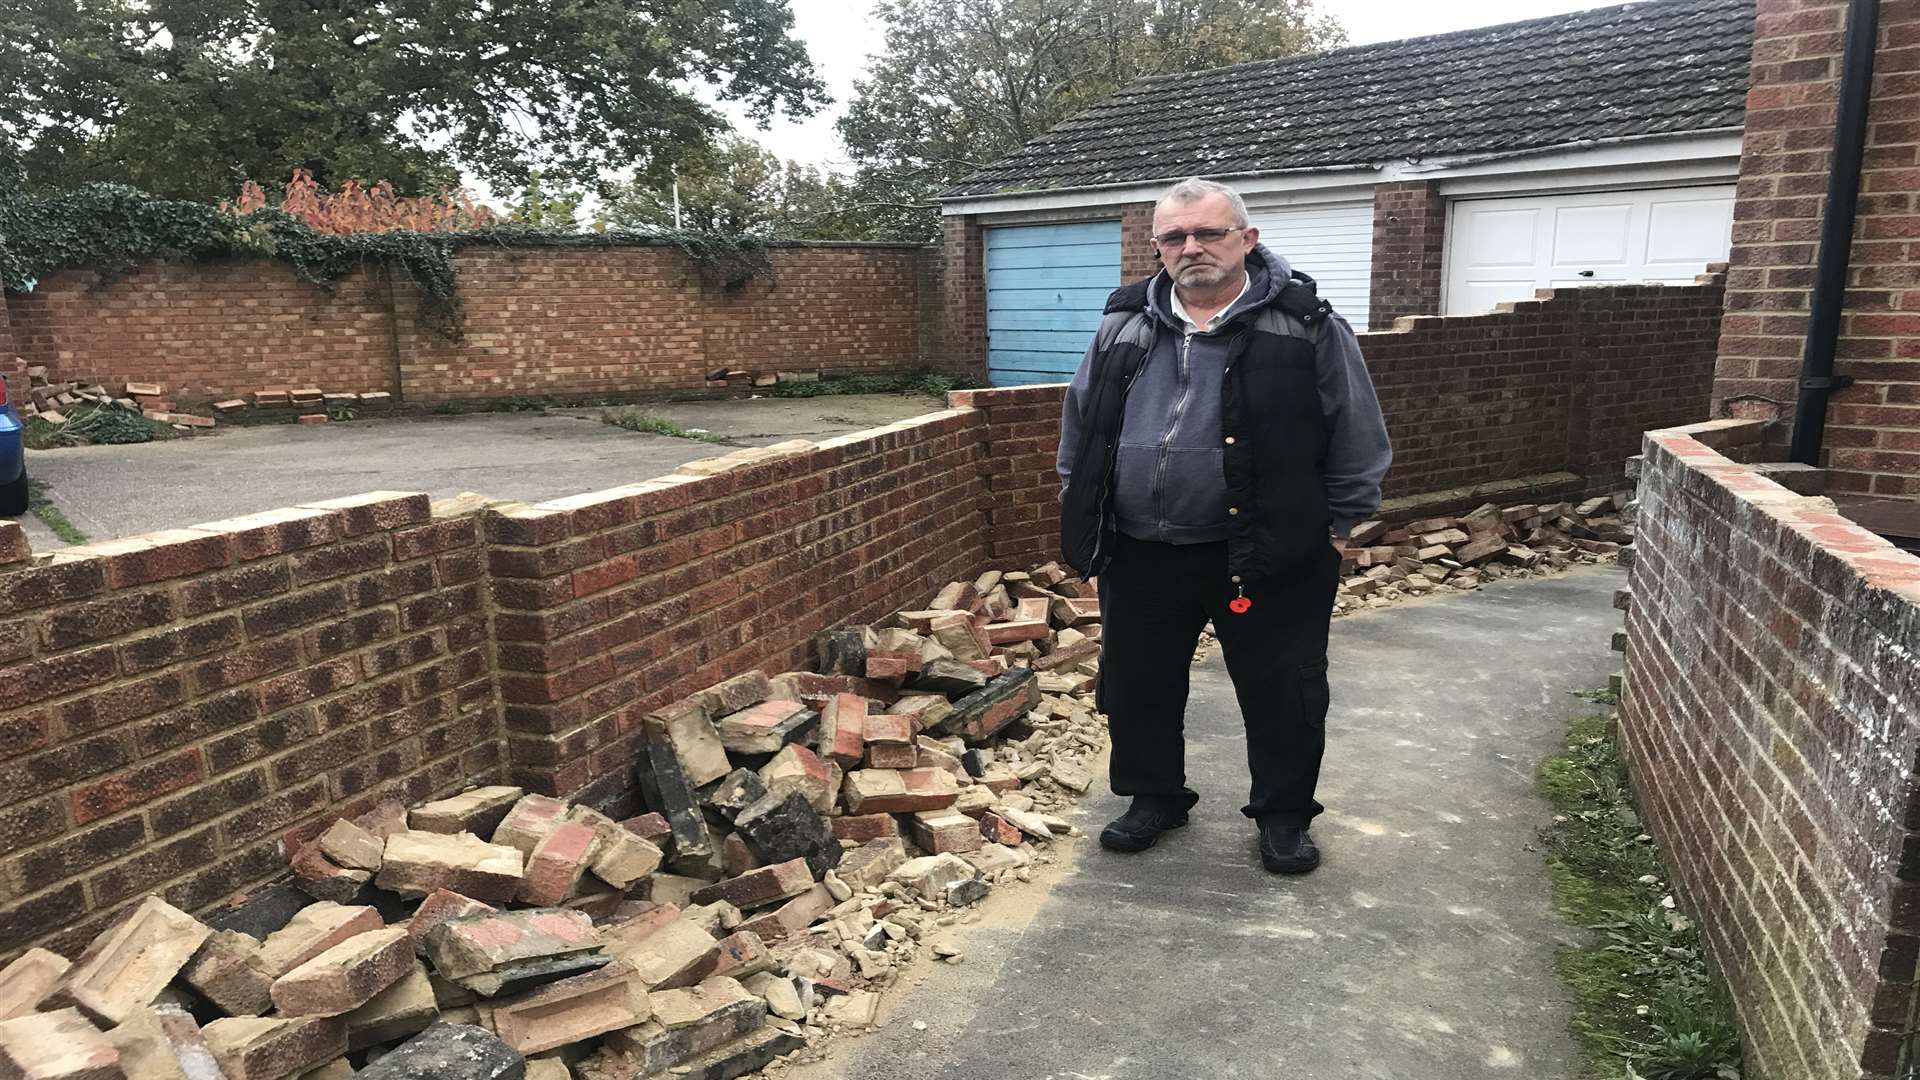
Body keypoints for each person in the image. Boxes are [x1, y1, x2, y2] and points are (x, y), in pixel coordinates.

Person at [1055, 176, 1391, 874]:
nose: (1191, 248)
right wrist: (1082, 504)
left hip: (1269, 550)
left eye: (1208, 233)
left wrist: (1343, 524)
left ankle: (1284, 817)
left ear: (1247, 239)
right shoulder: (1124, 322)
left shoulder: (1305, 324)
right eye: (1175, 237)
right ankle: (1155, 797)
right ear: (1157, 248)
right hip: (1143, 549)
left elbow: (1356, 427)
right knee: (1139, 684)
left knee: (1284, 691)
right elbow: (1082, 425)